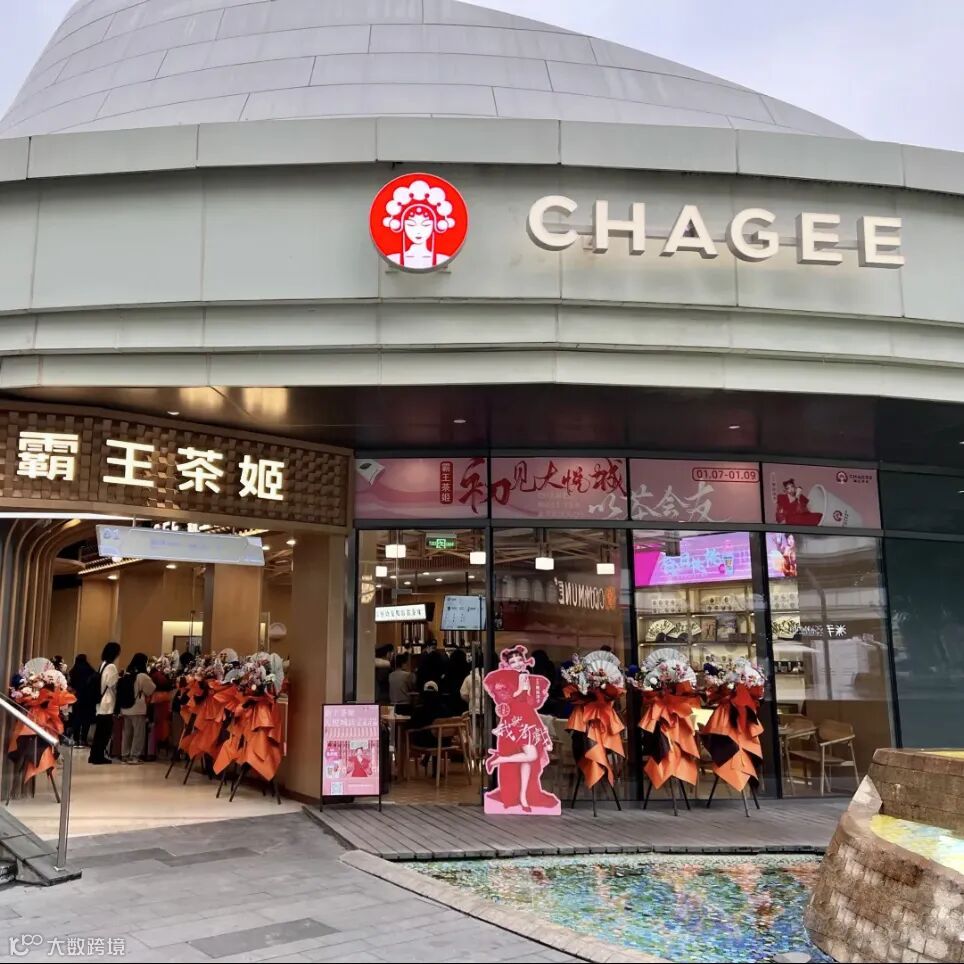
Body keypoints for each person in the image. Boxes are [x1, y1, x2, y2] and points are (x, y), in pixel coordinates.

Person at [483, 645, 560, 814]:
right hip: (514, 720)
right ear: (507, 664)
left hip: (528, 717)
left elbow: (532, 703)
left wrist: (527, 687)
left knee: (529, 760)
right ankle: (500, 760)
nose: (517, 663)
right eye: (513, 661)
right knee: (531, 754)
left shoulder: (527, 676)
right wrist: (520, 688)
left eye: (519, 660)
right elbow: (505, 700)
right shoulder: (503, 679)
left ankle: (523, 796)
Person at [118, 652, 156, 764]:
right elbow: (151, 689)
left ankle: (124, 754)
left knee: (127, 733)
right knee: (138, 734)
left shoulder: (127, 674)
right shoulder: (142, 676)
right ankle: (134, 756)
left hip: (125, 708)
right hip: (137, 708)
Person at [89, 642, 121, 765]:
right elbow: (113, 685)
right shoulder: (111, 667)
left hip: (100, 701)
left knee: (99, 732)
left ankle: (94, 755)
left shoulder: (102, 664)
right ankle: (98, 756)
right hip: (107, 702)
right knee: (104, 732)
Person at [67, 654, 95, 746]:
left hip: (77, 698)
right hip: (88, 698)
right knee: (86, 720)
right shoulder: (90, 670)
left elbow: (71, 685)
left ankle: (75, 739)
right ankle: (83, 739)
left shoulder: (74, 671)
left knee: (77, 718)